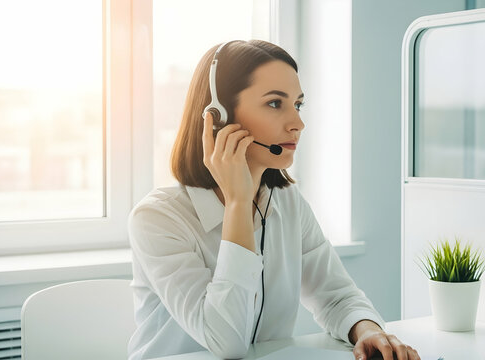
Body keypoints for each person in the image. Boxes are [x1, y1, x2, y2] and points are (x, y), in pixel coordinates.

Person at [127, 40, 421, 360]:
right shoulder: (157, 219)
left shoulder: (286, 202)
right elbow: (226, 342)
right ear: (219, 118)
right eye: (274, 104)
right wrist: (238, 203)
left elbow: (335, 296)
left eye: (298, 104)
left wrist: (368, 330)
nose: (297, 123)